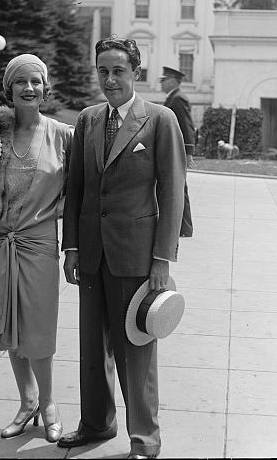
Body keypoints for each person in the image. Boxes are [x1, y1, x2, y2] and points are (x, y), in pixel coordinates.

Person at [58, 37, 186, 459]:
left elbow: (172, 194)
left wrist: (162, 259)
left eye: (118, 70)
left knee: (136, 349)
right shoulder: (89, 119)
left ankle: (144, 439)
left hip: (136, 256)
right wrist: (71, 248)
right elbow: (75, 189)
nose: (109, 79)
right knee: (92, 347)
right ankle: (96, 424)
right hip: (92, 255)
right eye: (102, 71)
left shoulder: (160, 119)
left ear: (136, 72)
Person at [0, 54, 73, 443]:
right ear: (9, 88)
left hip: (37, 243)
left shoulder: (63, 135)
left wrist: (66, 234)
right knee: (7, 325)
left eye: (36, 81)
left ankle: (50, 404)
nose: (29, 88)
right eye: (20, 81)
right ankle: (27, 402)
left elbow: (79, 194)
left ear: (45, 87)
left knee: (37, 329)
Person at [159, 66, 197, 238]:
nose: (161, 83)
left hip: (177, 150)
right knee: (177, 187)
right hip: (173, 149)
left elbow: (186, 125)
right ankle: (182, 227)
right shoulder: (173, 98)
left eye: (163, 80)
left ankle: (184, 227)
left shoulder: (178, 99)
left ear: (173, 80)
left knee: (179, 188)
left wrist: (188, 151)